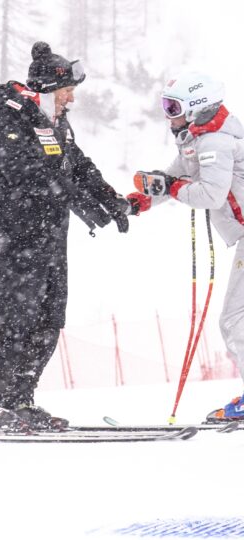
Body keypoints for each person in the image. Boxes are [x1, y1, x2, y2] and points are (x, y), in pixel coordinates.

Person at [0, 41, 131, 431]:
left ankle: (17, 400)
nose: (71, 98)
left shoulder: (54, 124)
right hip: (9, 243)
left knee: (46, 323)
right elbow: (32, 177)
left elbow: (78, 165)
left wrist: (111, 200)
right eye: (66, 91)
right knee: (10, 321)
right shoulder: (4, 122)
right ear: (44, 91)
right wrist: (88, 209)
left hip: (49, 242)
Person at [126, 71, 244, 422]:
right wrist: (143, 200)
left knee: (233, 319)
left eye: (173, 106)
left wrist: (170, 189)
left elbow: (208, 194)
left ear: (195, 108)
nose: (168, 114)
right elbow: (175, 175)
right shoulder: (199, 138)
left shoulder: (216, 143)